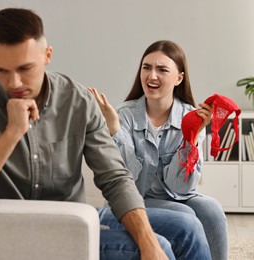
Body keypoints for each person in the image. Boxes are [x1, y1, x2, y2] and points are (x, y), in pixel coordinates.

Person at [0, 9, 211, 260]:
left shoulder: (76, 101)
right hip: (15, 229)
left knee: (186, 228)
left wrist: (146, 238)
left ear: (47, 56)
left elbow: (114, 177)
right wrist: (11, 133)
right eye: (1, 71)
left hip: (74, 216)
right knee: (159, 247)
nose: (14, 82)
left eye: (25, 68)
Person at [89, 40, 228, 260]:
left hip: (177, 195)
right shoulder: (123, 115)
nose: (151, 76)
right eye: (146, 67)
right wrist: (115, 130)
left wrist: (191, 138)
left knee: (212, 211)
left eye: (162, 70)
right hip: (136, 198)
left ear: (178, 78)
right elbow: (129, 181)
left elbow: (180, 188)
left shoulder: (191, 118)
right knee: (185, 215)